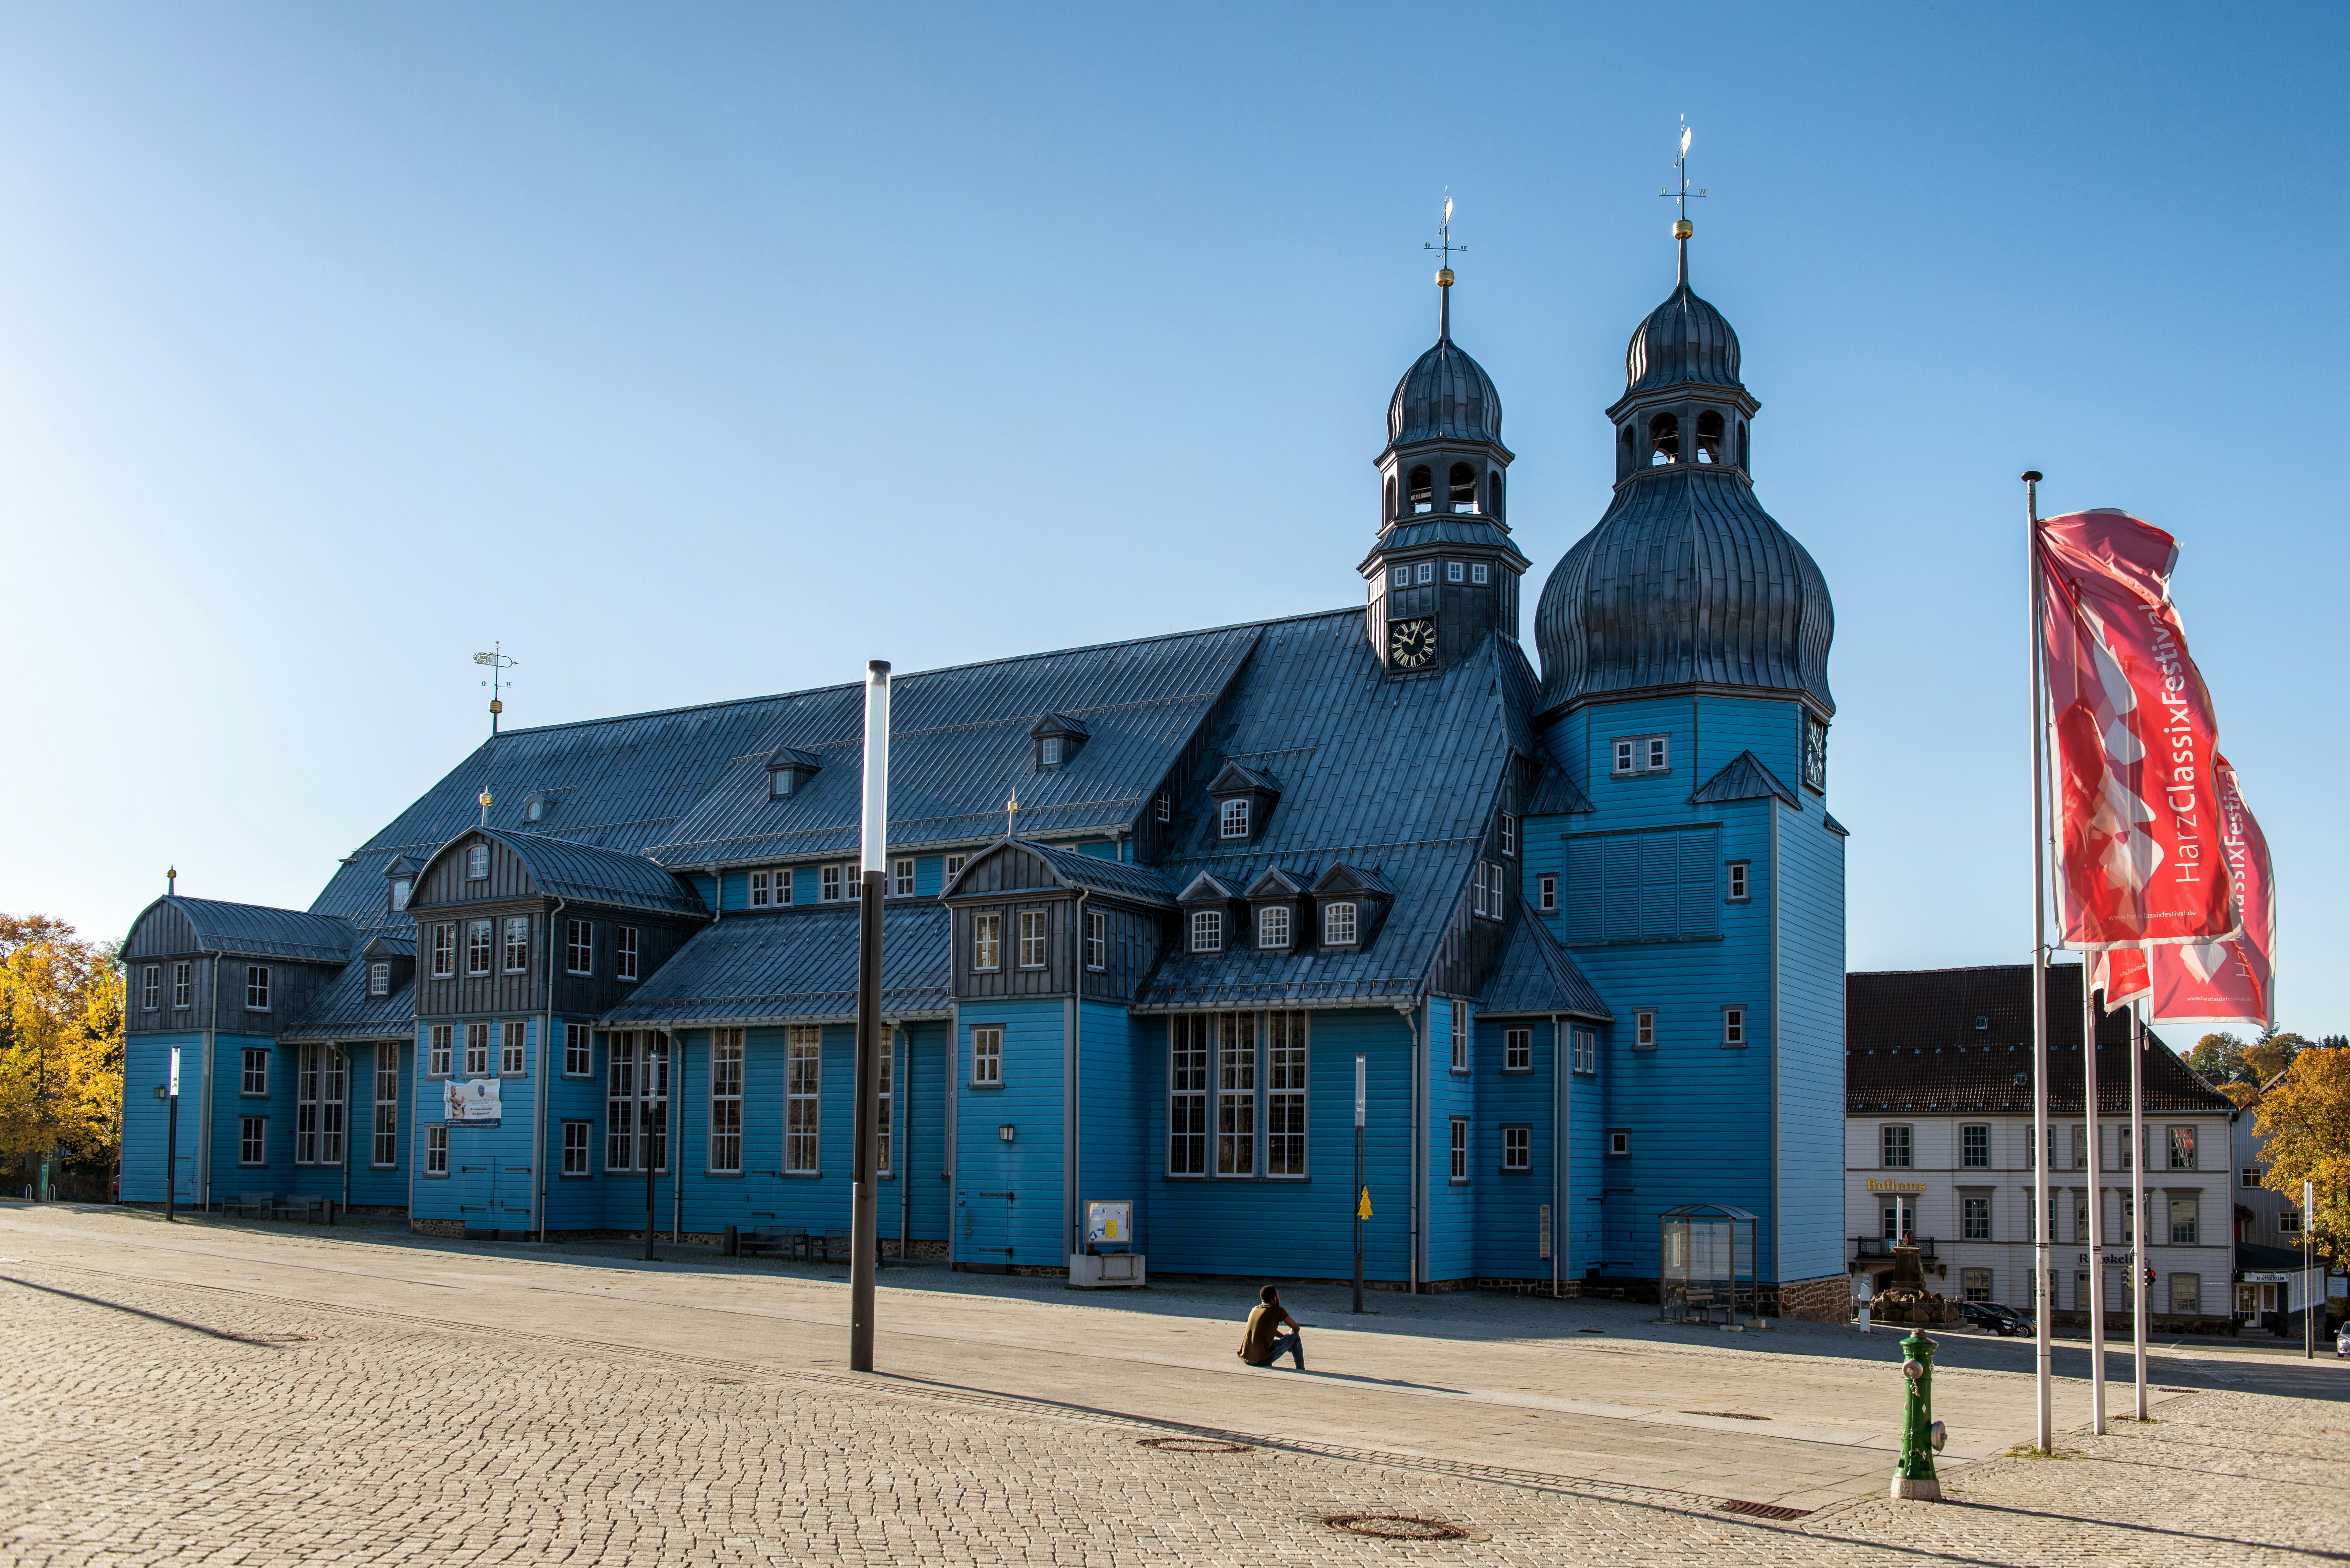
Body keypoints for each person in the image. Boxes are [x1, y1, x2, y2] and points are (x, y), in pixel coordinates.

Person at [1237, 1285, 1306, 1370]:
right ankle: (1301, 1369)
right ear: (1274, 1298)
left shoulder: (1255, 1309)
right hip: (1262, 1360)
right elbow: (1296, 1328)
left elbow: (1265, 1328)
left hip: (1247, 1358)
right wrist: (1289, 1336)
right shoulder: (1278, 1310)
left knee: (1268, 1343)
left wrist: (1283, 1337)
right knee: (1295, 1337)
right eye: (1278, 1296)